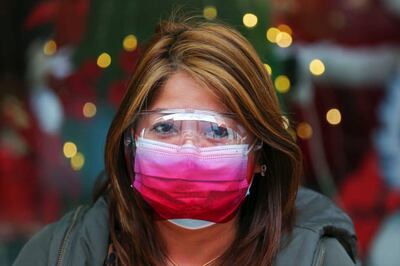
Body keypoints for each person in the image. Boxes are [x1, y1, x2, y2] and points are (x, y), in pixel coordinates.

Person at [13, 18, 358, 266]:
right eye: (165, 128)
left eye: (218, 131)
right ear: (130, 145)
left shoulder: (317, 258)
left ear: (261, 153)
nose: (189, 150)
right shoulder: (59, 254)